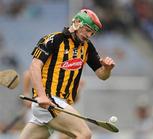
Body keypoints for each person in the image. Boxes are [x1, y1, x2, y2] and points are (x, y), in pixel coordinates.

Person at [19, 8, 115, 139]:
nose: (88, 35)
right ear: (77, 22)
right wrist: (41, 96)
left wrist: (107, 69)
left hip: (61, 103)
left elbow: (101, 75)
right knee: (84, 134)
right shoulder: (54, 39)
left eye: (91, 33)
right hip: (50, 101)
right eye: (87, 30)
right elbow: (35, 66)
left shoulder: (87, 47)